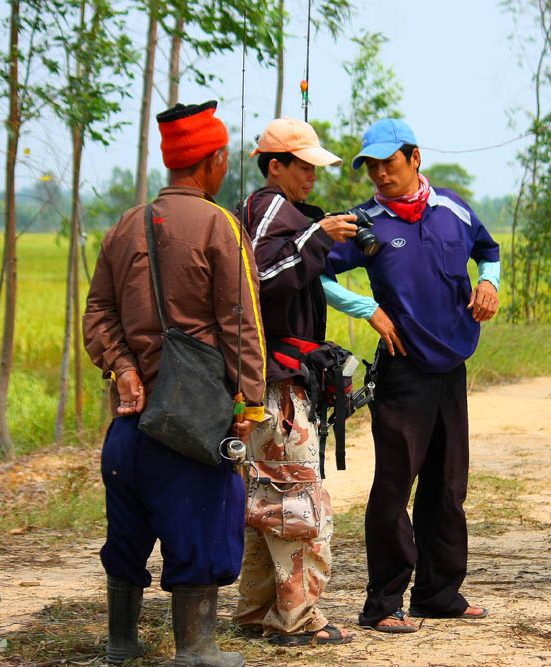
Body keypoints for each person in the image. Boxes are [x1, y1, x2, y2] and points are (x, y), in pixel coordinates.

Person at [83, 100, 266, 666]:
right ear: (211, 161)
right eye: (224, 159)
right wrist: (250, 401)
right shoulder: (220, 225)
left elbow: (98, 311)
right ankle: (197, 648)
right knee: (206, 521)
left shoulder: (124, 225)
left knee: (127, 534)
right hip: (191, 426)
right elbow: (242, 323)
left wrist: (124, 367)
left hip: (129, 429)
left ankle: (121, 642)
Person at [322, 117, 501, 633]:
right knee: (394, 487)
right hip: (403, 372)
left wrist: (488, 283)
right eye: (371, 166)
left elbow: (488, 250)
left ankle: (439, 593)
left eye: (388, 163)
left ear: (414, 157)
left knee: (447, 486)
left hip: (452, 369)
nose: (379, 174)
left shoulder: (452, 209)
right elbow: (318, 271)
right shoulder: (364, 221)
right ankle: (382, 602)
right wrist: (365, 309)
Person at [231, 117, 357, 646]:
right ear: (274, 166)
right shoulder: (270, 210)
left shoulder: (276, 213)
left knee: (263, 496)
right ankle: (297, 619)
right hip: (276, 384)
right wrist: (316, 235)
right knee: (296, 499)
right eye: (302, 166)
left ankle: (259, 611)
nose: (311, 176)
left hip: (264, 381)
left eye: (314, 167)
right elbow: (262, 278)